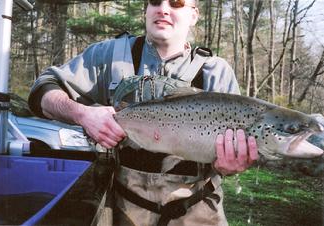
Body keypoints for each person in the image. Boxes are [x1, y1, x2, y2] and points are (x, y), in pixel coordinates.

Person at [28, 0, 258, 225]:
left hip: (198, 208)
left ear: (194, 15)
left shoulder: (216, 72)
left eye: (176, 3)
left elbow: (229, 158)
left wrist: (228, 165)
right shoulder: (109, 56)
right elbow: (43, 90)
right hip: (121, 205)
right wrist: (82, 114)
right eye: (155, 2)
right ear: (146, 11)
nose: (164, 10)